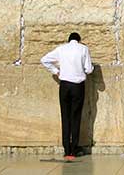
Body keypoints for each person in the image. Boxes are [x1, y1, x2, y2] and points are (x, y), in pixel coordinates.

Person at [41, 32, 94, 160]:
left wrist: (56, 71)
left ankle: (66, 149)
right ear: (79, 40)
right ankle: (74, 149)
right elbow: (88, 69)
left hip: (64, 86)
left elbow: (44, 60)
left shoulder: (61, 49)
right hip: (77, 86)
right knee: (75, 116)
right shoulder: (83, 49)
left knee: (65, 116)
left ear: (69, 40)